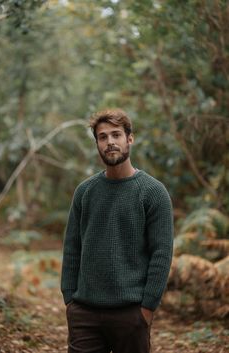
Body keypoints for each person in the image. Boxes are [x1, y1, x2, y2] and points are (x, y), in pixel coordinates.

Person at [61, 108, 174, 353]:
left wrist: (147, 308)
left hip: (131, 314)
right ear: (97, 144)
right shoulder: (85, 192)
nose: (110, 142)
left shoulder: (153, 192)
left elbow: (161, 254)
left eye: (116, 135)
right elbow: (72, 248)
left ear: (129, 138)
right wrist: (70, 300)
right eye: (103, 137)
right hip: (84, 315)